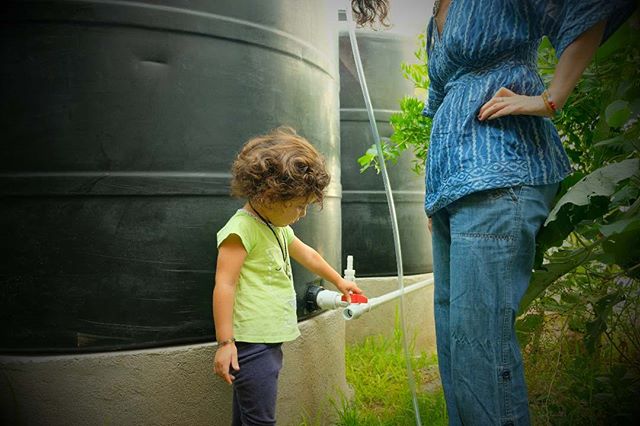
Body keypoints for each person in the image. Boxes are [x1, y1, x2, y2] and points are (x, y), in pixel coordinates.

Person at [351, 0, 636, 425]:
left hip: (500, 170)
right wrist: (438, 193)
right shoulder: (435, 19)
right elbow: (444, 107)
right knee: (454, 342)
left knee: (480, 345)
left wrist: (549, 99)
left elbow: (586, 11)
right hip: (455, 188)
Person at [213, 127, 362, 425]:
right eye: (298, 205)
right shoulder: (240, 230)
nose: (302, 213)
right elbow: (224, 285)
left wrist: (338, 280)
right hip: (250, 343)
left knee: (247, 417)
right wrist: (225, 343)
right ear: (269, 195)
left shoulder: (277, 227)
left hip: (267, 340)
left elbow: (309, 255)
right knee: (260, 420)